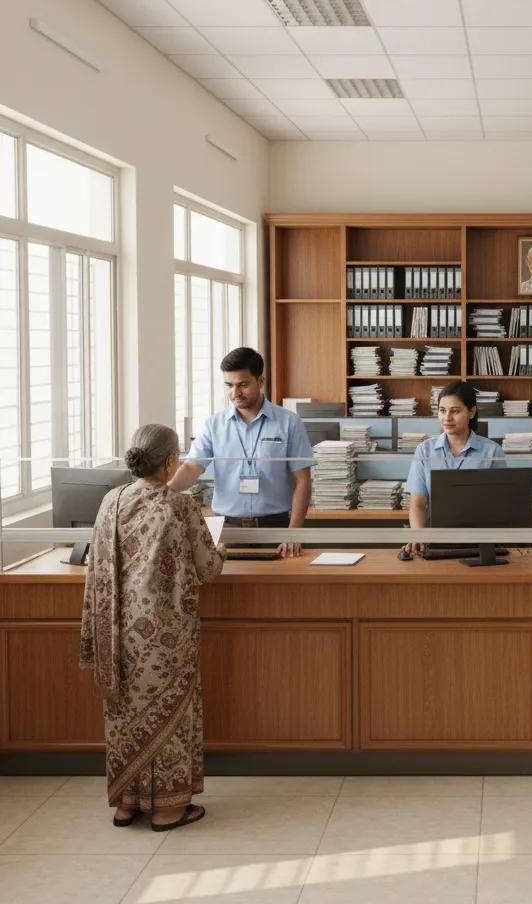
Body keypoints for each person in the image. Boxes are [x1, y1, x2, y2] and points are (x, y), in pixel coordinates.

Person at [80, 424, 225, 832]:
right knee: (168, 718)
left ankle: (127, 803)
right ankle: (167, 809)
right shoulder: (179, 505)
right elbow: (207, 568)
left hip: (114, 631)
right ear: (170, 462)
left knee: (124, 713)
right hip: (163, 636)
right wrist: (223, 550)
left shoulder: (111, 500)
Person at [168, 347, 313, 557]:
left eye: (243, 385)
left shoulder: (289, 423)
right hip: (227, 528)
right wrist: (163, 492)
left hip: (276, 527)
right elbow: (192, 467)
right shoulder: (213, 424)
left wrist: (294, 532)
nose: (235, 393)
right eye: (229, 385)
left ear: (260, 381)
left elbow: (303, 480)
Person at [403, 381, 505, 555]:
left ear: (472, 412)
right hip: (433, 542)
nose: (447, 418)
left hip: (478, 543)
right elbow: (418, 503)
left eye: (455, 411)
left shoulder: (492, 451)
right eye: (442, 410)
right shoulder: (425, 450)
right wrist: (418, 535)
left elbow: (501, 507)